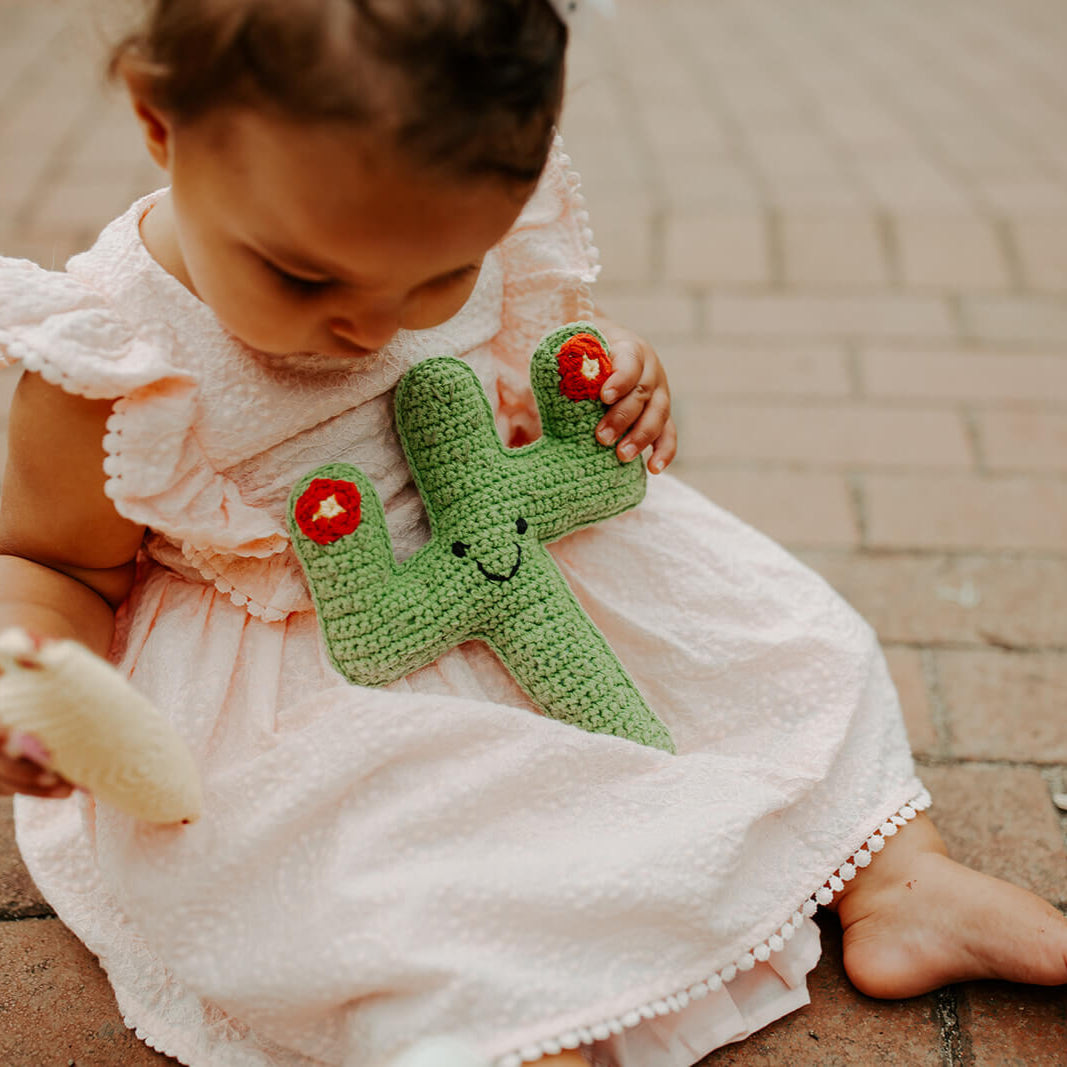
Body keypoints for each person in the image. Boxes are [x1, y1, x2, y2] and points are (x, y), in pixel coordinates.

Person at [0, 1, 1064, 1065]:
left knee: (775, 645)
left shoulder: (452, 218)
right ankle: (510, 1013)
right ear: (159, 124)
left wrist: (617, 374)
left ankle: (896, 873)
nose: (376, 326)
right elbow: (51, 562)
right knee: (380, 857)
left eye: (439, 278)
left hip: (529, 559)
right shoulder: (120, 362)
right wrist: (38, 681)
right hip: (311, 670)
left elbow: (527, 365)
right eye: (303, 277)